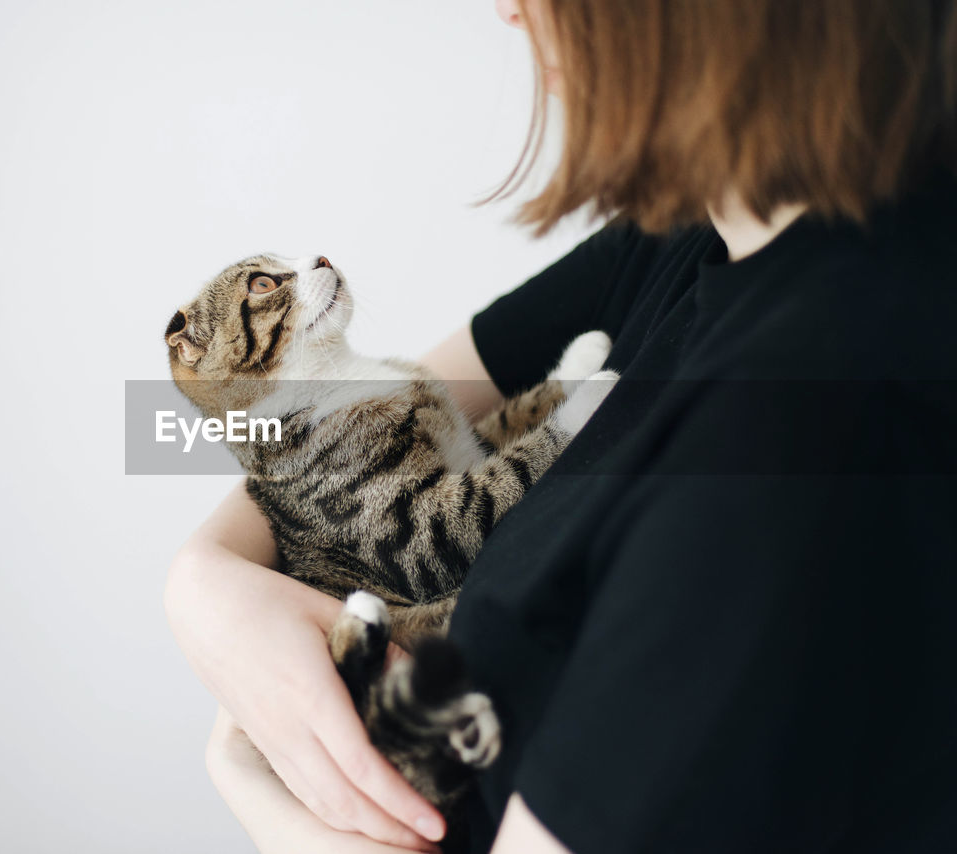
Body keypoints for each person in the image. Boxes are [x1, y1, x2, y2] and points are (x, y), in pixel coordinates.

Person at [164, 1, 957, 851]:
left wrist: (237, 772)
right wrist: (200, 584)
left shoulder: (788, 437)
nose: (508, 9)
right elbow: (330, 444)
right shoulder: (682, 238)